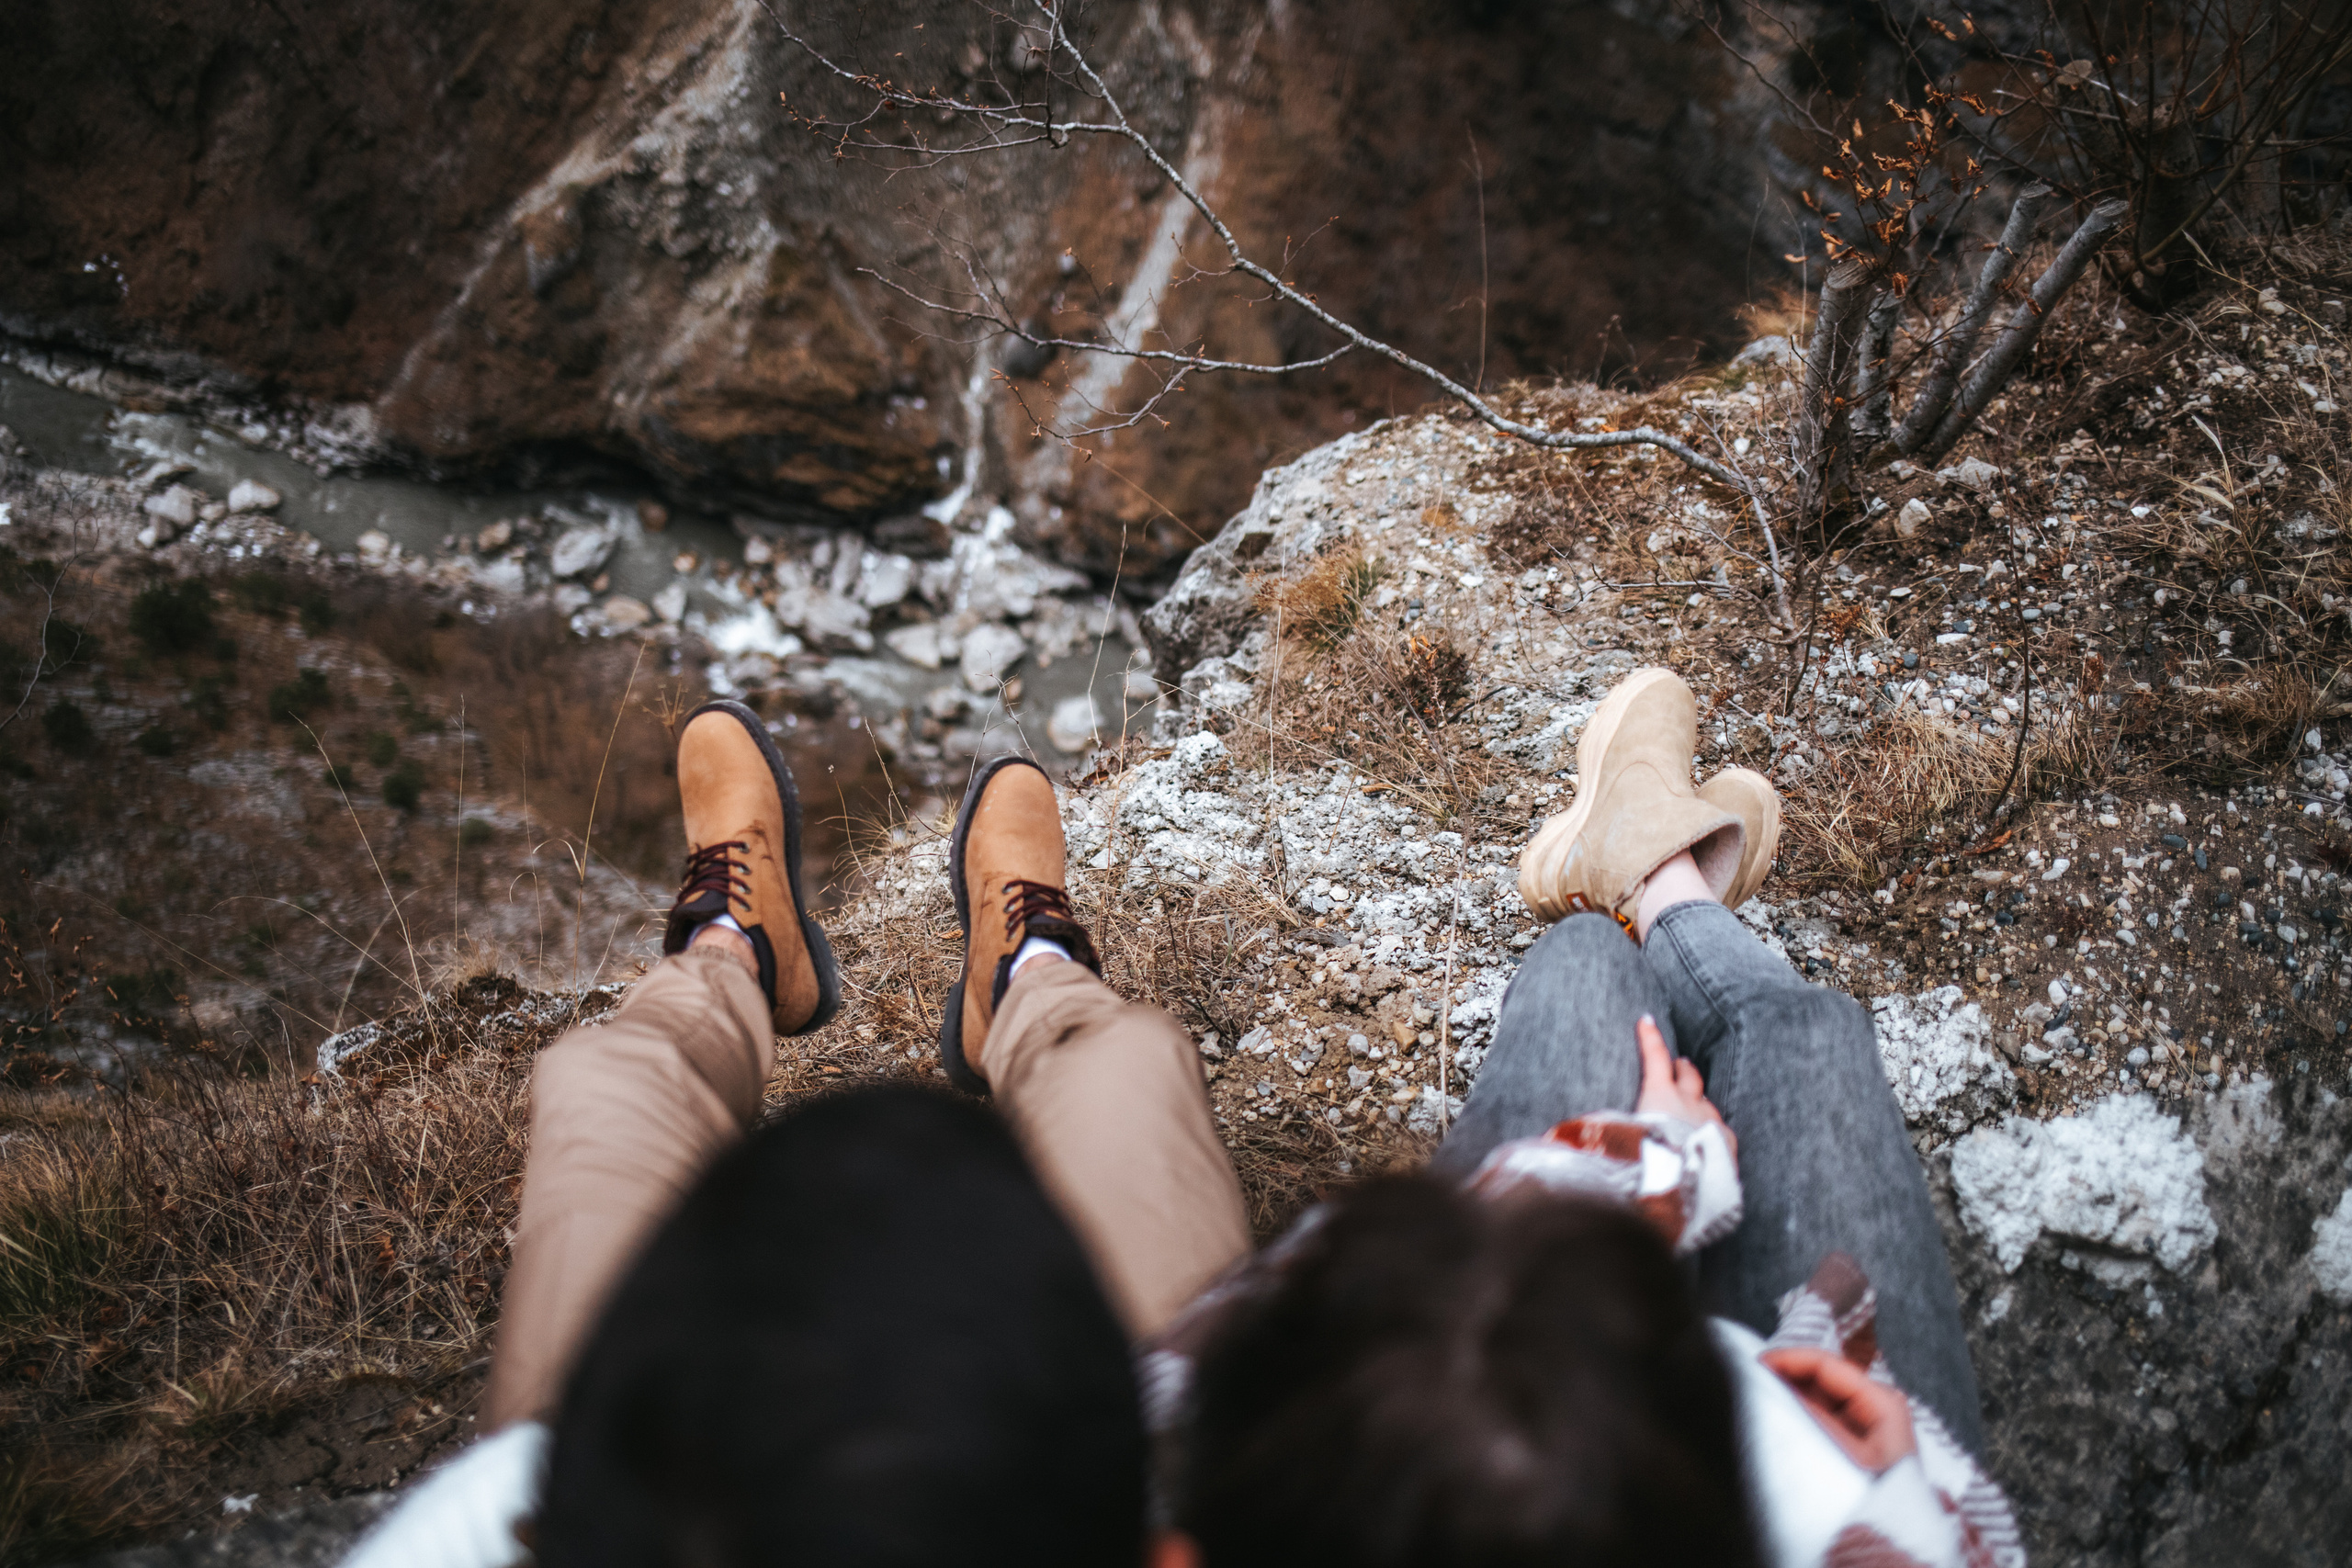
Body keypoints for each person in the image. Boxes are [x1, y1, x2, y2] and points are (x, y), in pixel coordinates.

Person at [340, 701, 1251, 1568]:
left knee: (599, 1077)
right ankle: (1023, 975)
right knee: (1130, 1058)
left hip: (609, 1498)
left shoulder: (498, 1519)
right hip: (1116, 1460)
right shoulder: (1186, 1447)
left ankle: (734, 946)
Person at [1159, 668, 2023, 1568]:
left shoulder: (1127, 1453)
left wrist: (1663, 1165)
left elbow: (1253, 1314)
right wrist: (1907, 1517)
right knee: (1803, 1030)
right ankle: (1660, 879)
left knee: (1588, 961)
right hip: (1822, 1422)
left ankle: (1642, 874)